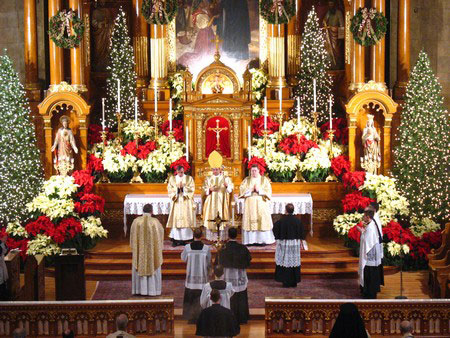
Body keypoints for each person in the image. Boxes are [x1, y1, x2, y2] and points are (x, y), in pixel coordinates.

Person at [218, 227, 251, 324]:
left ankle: (228, 318)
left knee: (229, 296)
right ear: (237, 235)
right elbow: (248, 260)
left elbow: (219, 263)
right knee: (240, 296)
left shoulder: (224, 248)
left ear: (228, 235)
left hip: (228, 276)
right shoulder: (242, 248)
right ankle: (241, 317)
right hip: (240, 276)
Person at [130, 204, 164, 296]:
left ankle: (139, 290)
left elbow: (132, 237)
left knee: (139, 265)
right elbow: (160, 236)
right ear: (151, 212)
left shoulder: (136, 222)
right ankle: (153, 291)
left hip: (140, 252)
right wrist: (159, 248)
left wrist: (135, 248)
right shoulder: (155, 222)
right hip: (152, 254)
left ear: (143, 211)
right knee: (153, 264)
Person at [239, 164, 275, 245]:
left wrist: (259, 190)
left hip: (261, 203)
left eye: (255, 170)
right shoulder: (247, 180)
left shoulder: (264, 180)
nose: (254, 172)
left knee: (262, 220)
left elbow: (268, 191)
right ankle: (250, 241)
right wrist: (250, 190)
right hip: (250, 203)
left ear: (259, 171)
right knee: (250, 221)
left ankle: (262, 240)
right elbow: (241, 190)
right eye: (252, 171)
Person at [182, 228, 212, 324]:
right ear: (202, 236)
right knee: (201, 298)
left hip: (191, 279)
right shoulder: (206, 248)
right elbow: (208, 263)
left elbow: (183, 258)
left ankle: (190, 317)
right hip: (202, 279)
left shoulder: (187, 247)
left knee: (190, 298)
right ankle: (201, 317)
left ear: (193, 235)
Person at [202, 151, 234, 241]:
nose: (215, 171)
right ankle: (212, 238)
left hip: (222, 202)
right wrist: (209, 190)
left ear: (220, 169)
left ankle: (222, 237)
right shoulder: (208, 178)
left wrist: (227, 185)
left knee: (222, 218)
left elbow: (231, 190)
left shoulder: (226, 178)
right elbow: (204, 190)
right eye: (213, 169)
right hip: (211, 202)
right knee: (211, 218)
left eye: (216, 169)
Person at [273, 203, 305, 288]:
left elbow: (275, 229)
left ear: (286, 210)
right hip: (295, 244)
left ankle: (286, 282)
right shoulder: (298, 221)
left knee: (285, 261)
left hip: (285, 244)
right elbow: (302, 231)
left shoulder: (281, 221)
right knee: (294, 261)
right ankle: (294, 282)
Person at [357, 209, 384, 299]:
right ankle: (368, 292)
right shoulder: (371, 224)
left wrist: (361, 231)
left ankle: (370, 293)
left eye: (364, 216)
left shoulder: (371, 227)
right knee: (369, 274)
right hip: (371, 254)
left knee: (370, 274)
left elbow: (368, 241)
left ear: (368, 217)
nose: (363, 217)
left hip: (369, 256)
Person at [167, 165, 196, 246]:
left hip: (185, 202)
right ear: (176, 171)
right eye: (179, 172)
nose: (180, 174)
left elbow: (192, 188)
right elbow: (169, 189)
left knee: (186, 218)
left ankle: (187, 238)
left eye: (182, 172)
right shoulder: (172, 179)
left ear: (184, 171)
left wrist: (183, 189)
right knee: (176, 220)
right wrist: (177, 189)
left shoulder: (188, 178)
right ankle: (176, 239)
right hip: (176, 202)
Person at [323, 0, 344, 69]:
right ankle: (331, 64)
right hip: (329, 34)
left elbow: (342, 26)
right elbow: (325, 21)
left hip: (336, 35)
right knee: (328, 49)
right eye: (329, 4)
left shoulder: (338, 13)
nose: (330, 6)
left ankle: (337, 64)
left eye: (332, 4)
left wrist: (334, 28)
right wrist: (324, 23)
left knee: (336, 49)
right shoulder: (329, 12)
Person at [0, 233, 8, 301]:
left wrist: (3, 243)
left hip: (1, 264)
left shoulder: (1, 243)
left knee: (2, 280)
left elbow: (3, 252)